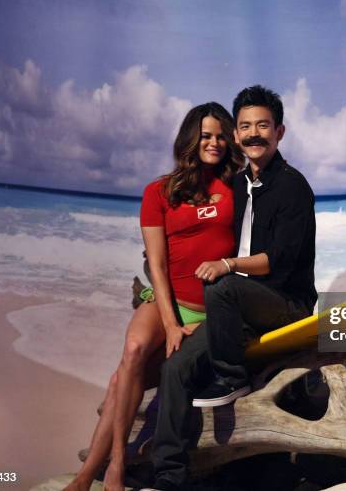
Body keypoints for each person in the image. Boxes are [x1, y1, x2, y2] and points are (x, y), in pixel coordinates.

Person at [62, 102, 243, 491]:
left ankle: (97, 472)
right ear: (190, 139)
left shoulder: (235, 188)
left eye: (220, 135)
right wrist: (170, 324)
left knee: (117, 383)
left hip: (212, 310)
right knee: (133, 349)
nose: (213, 142)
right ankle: (110, 466)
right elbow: (157, 266)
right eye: (206, 135)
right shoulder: (158, 192)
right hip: (169, 302)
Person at [146, 85, 316, 491]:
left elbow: (278, 261)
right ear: (237, 135)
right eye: (245, 127)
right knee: (175, 367)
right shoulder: (237, 185)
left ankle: (230, 378)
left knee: (224, 287)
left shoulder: (294, 187)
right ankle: (167, 475)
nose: (254, 134)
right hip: (234, 313)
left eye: (263, 125)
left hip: (284, 305)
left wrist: (227, 265)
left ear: (280, 131)